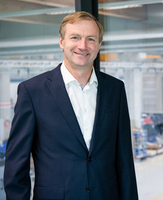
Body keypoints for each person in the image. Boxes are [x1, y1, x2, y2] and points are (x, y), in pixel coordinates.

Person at [4, 11, 138, 200]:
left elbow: (124, 159)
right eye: (75, 37)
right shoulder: (32, 91)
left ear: (99, 45)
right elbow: (16, 165)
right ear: (61, 41)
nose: (83, 46)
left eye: (91, 39)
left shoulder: (115, 89)